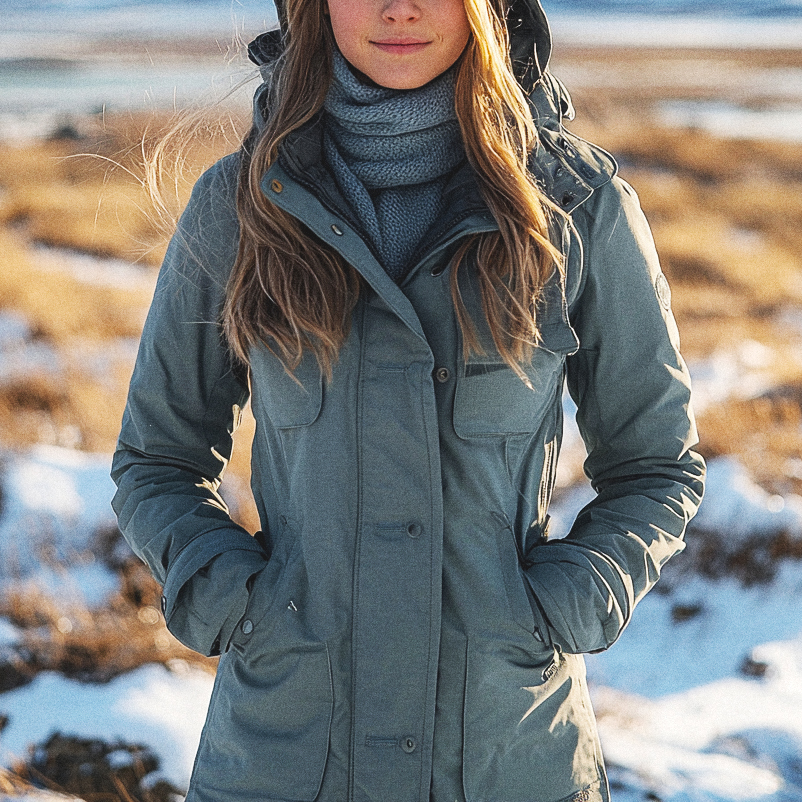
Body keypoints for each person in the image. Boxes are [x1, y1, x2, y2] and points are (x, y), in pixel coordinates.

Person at [111, 1, 705, 800]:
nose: (398, 8)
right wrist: (238, 607)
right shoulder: (241, 205)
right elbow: (158, 458)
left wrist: (557, 611)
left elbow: (656, 466)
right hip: (288, 756)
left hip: (505, 754)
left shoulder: (576, 206)